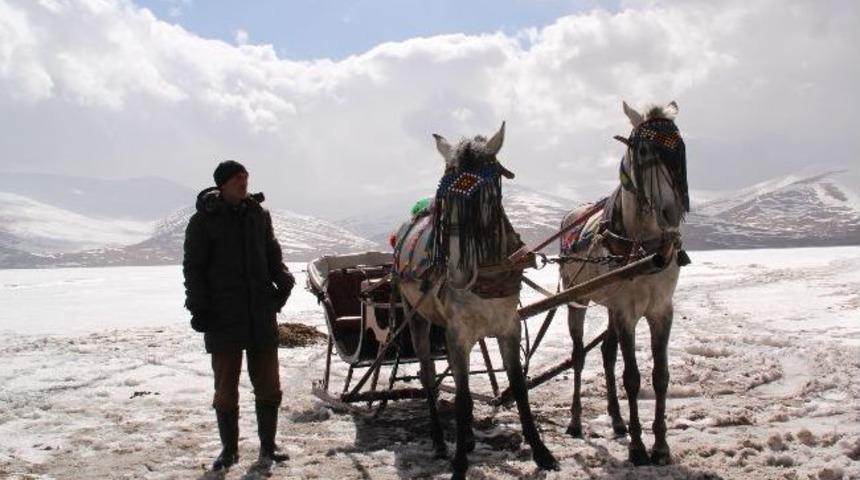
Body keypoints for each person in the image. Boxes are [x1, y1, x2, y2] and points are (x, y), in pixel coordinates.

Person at [182, 160, 295, 471]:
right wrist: (198, 307)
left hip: (260, 314)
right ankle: (229, 450)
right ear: (222, 184)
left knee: (269, 385)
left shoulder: (259, 215)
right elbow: (193, 269)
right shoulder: (203, 221)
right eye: (237, 178)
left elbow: (272, 254)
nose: (244, 182)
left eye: (246, 177)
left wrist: (283, 281)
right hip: (222, 316)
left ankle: (268, 447)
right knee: (225, 389)